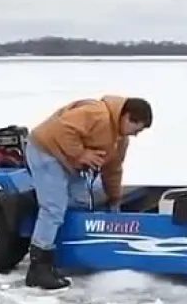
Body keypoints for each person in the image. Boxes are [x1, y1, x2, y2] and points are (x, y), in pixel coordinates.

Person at [23, 95, 152, 291]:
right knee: (54, 207)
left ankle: (61, 253)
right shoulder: (97, 114)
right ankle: (38, 267)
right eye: (137, 129)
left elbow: (113, 169)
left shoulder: (120, 139)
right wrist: (81, 154)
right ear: (127, 117)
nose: (135, 135)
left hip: (68, 158)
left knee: (80, 202)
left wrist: (114, 198)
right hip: (46, 150)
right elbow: (62, 129)